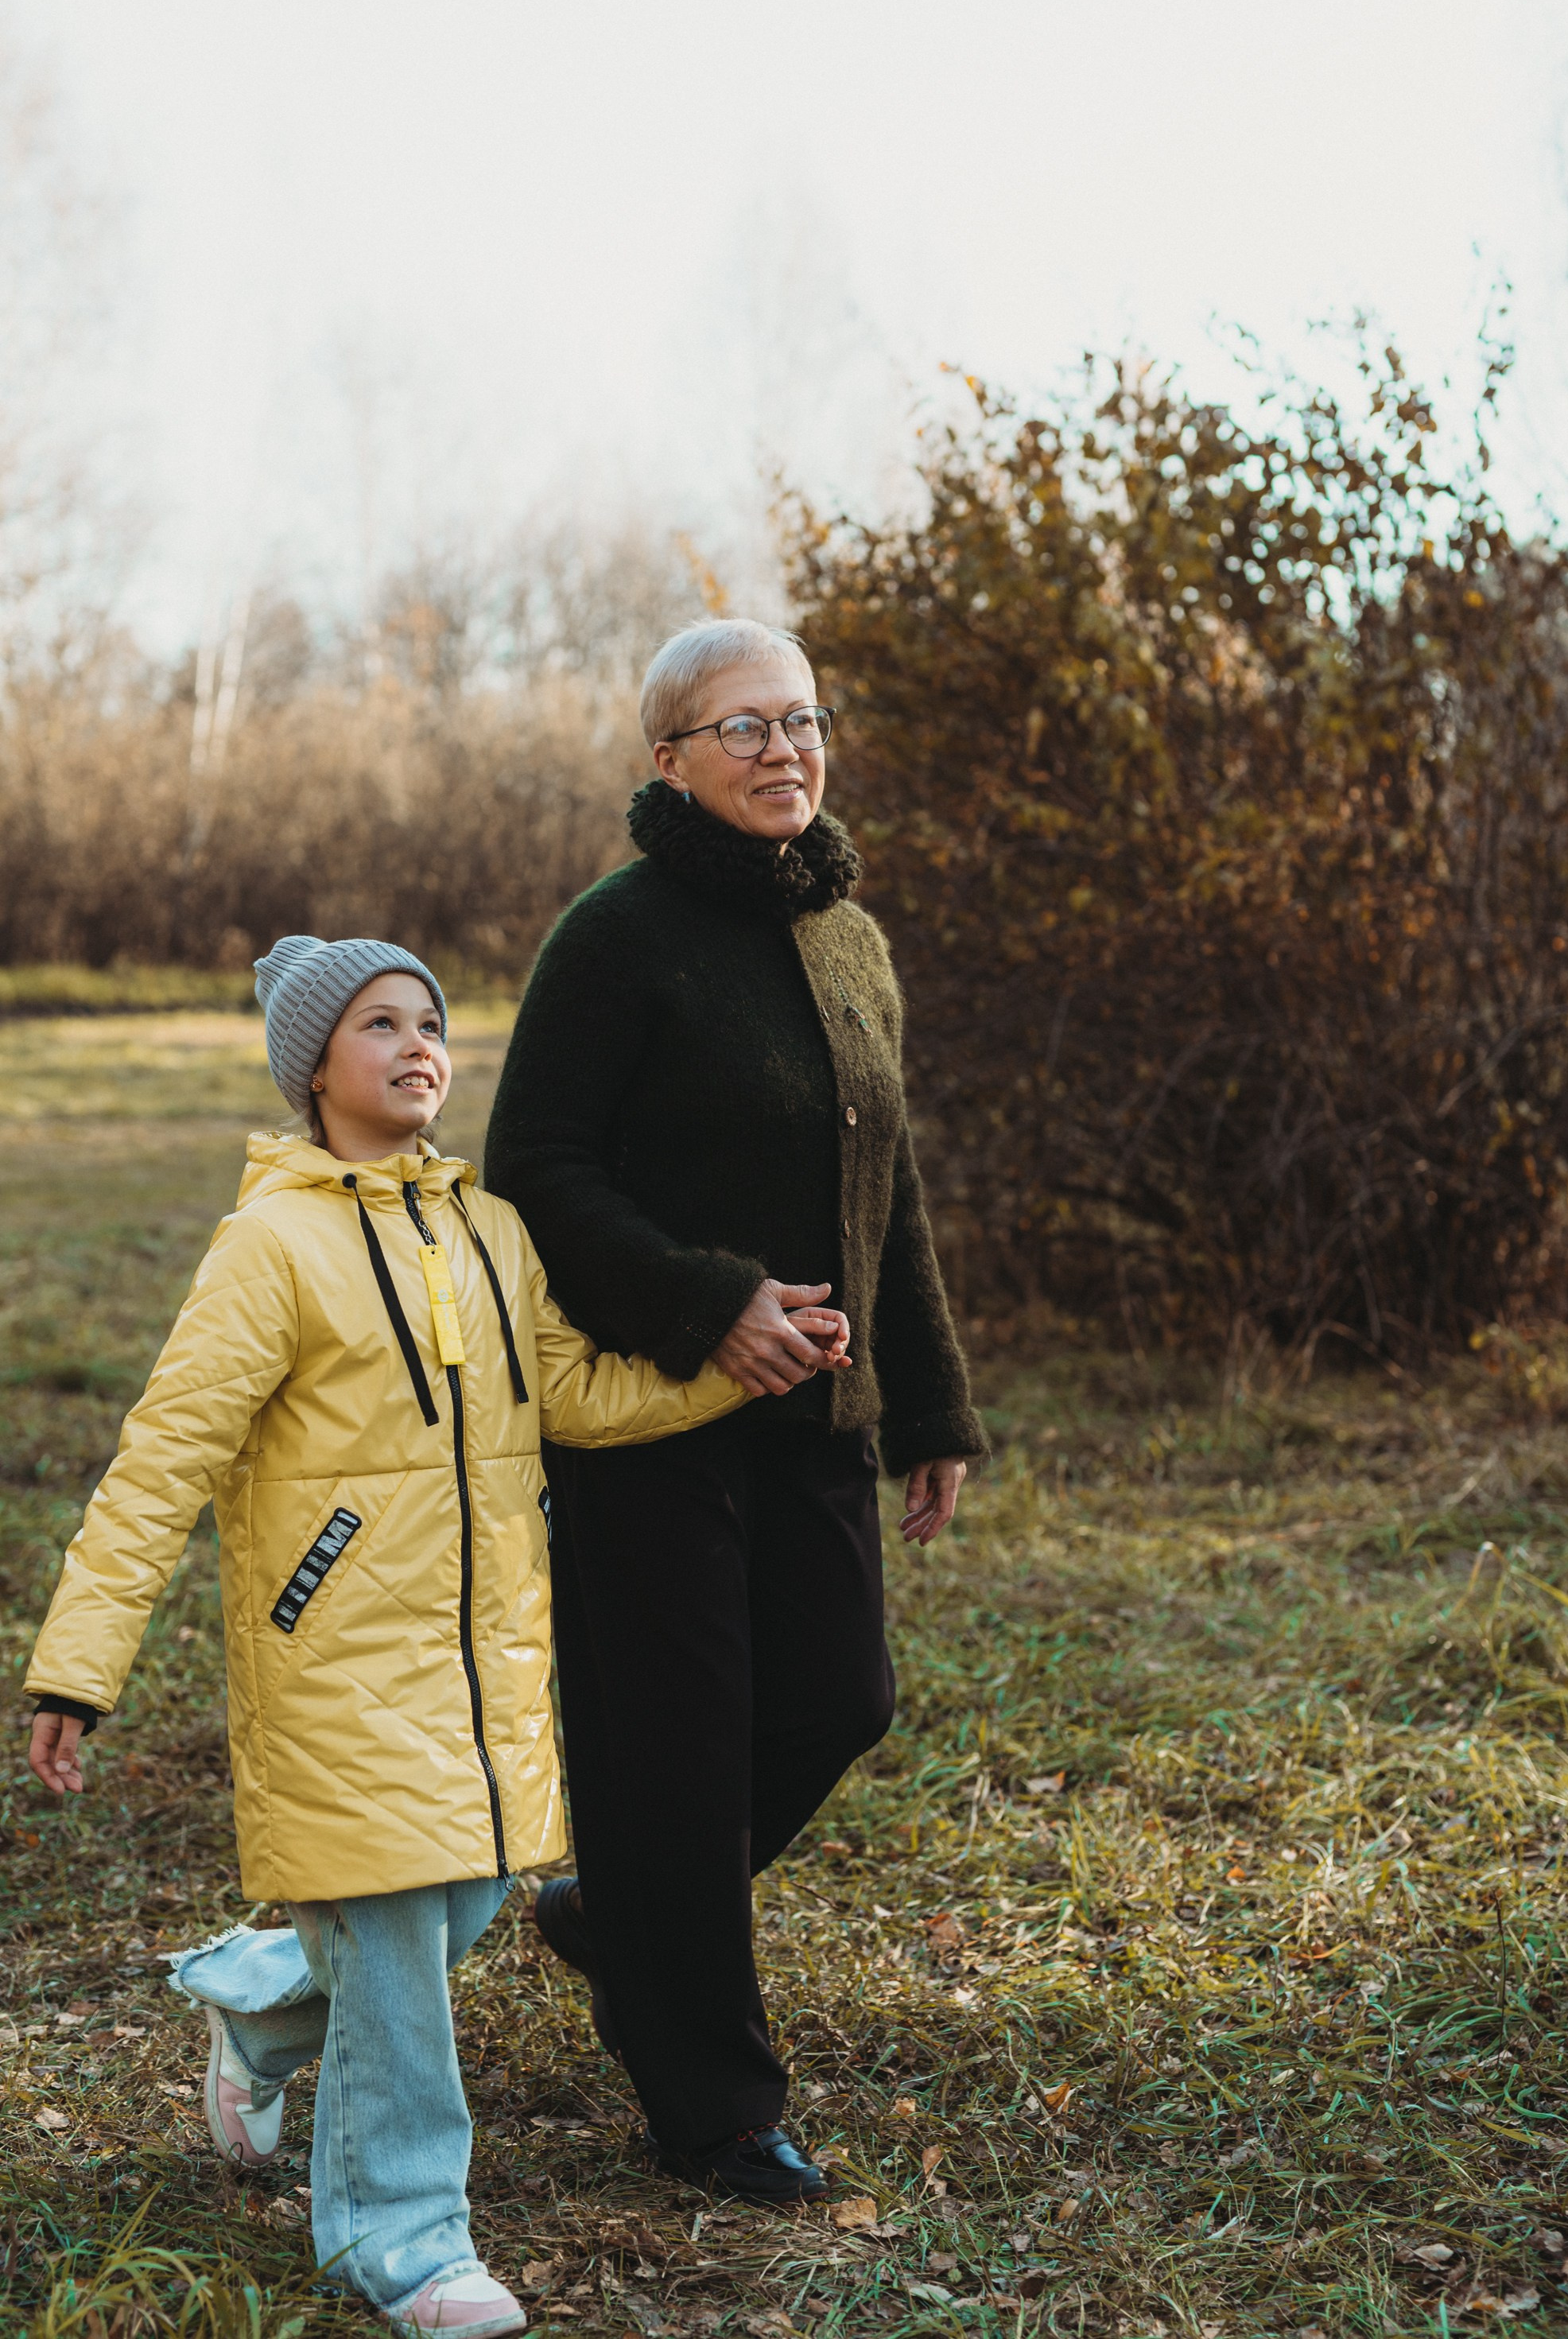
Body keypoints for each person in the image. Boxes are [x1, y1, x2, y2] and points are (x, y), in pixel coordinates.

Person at [24, 933, 846, 2337]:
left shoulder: (492, 1230)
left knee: (450, 1916)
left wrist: (726, 1373)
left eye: (431, 1023)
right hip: (335, 1661)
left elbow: (573, 1394)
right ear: (313, 1072)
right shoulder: (268, 1249)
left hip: (481, 1667)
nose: (419, 1046)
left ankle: (267, 2001)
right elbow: (162, 1462)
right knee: (403, 1946)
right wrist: (76, 1666)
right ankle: (401, 2237)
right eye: (378, 1026)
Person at [483, 616, 988, 2205]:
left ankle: (615, 1914)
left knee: (839, 1699)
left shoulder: (853, 941)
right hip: (650, 1420)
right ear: (671, 762)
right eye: (742, 727)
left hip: (815, 1421)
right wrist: (714, 1305)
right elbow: (537, 1173)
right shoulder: (616, 937)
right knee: (676, 1764)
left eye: (802, 719)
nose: (783, 749)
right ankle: (711, 2110)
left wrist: (929, 1407)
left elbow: (881, 1183)